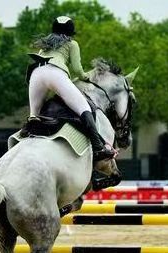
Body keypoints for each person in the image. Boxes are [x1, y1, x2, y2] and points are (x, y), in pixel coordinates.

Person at [26, 16, 115, 162]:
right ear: (70, 32)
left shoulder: (45, 46)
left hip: (36, 74)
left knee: (33, 116)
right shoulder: (72, 44)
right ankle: (98, 147)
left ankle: (27, 138)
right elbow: (77, 69)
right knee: (84, 108)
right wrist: (86, 77)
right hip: (56, 74)